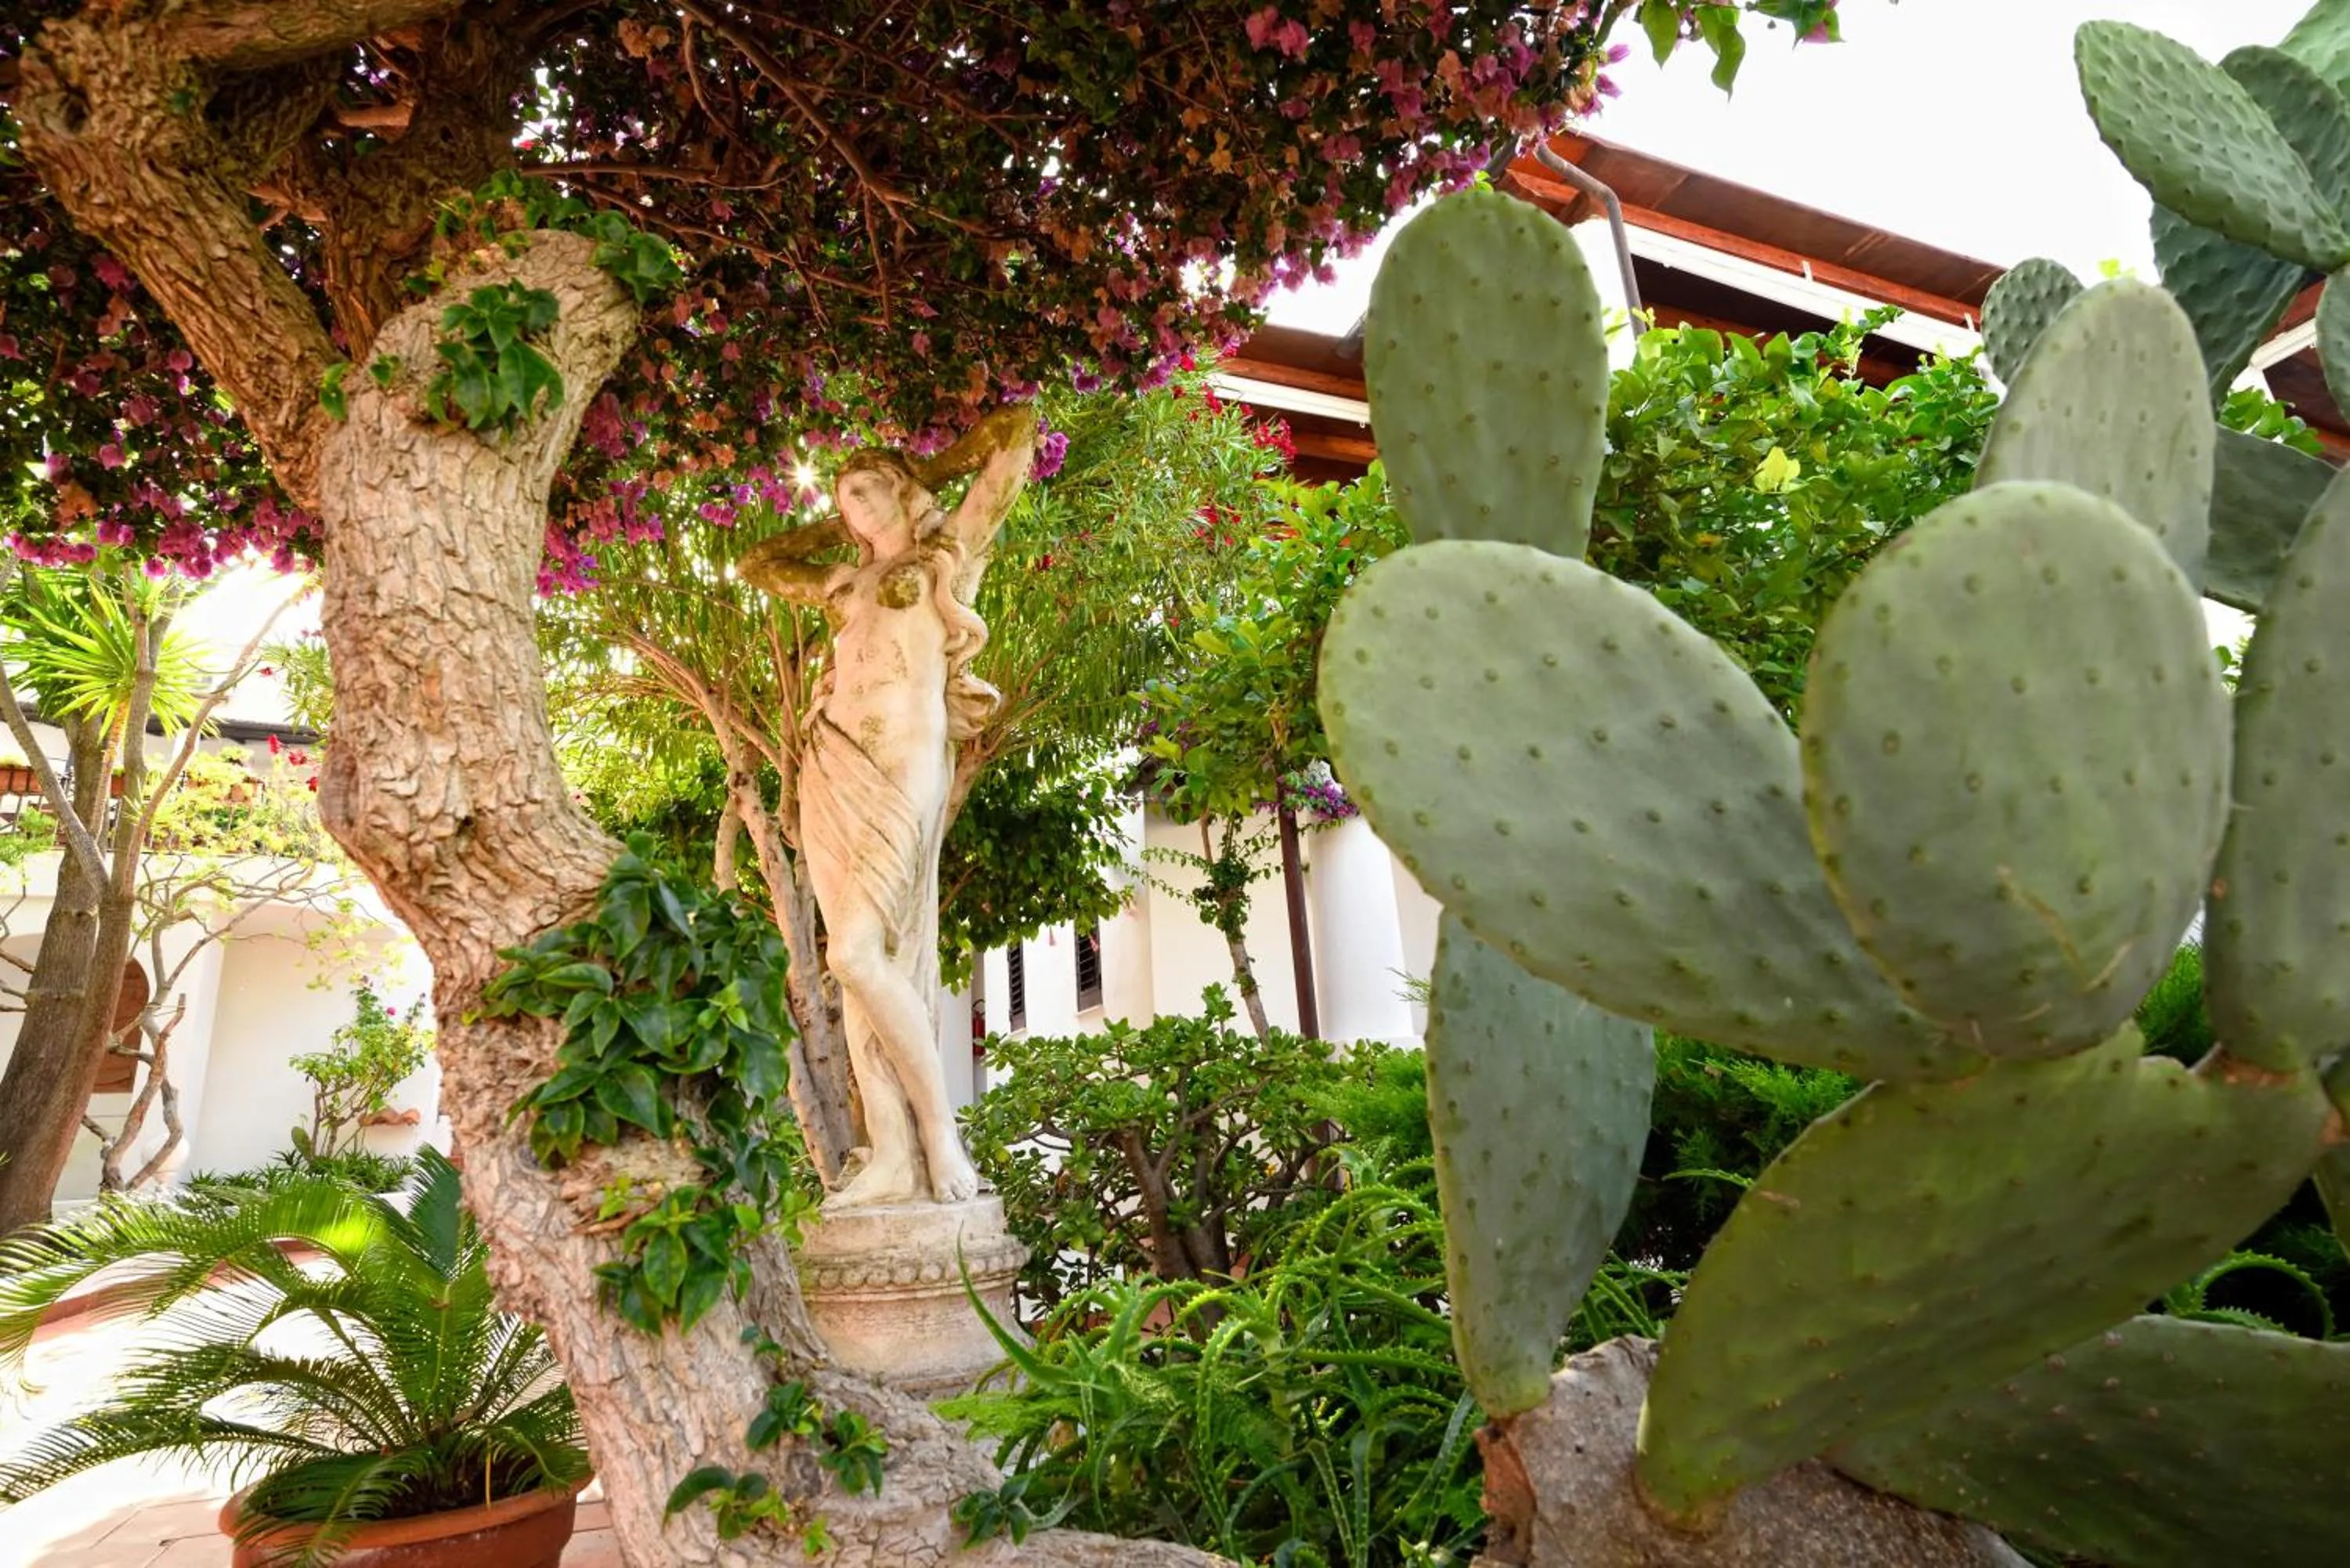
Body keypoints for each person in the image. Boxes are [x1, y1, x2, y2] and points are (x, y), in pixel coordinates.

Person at [739, 408, 1036, 1206]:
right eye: (846, 502)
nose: (857, 508)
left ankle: (940, 1131)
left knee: (857, 954)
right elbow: (759, 560)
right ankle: (893, 1154)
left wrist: (927, 473)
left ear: (904, 490)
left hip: (906, 760)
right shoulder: (842, 582)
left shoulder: (947, 556)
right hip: (836, 759)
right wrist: (849, 514)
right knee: (859, 958)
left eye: (871, 490)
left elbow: (1015, 439)